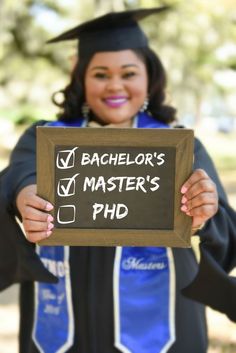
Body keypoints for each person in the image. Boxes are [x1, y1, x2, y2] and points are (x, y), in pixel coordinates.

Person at [0, 6, 236, 353]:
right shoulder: (45, 138)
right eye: (100, 74)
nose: (115, 86)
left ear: (149, 78)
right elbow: (18, 176)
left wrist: (205, 215)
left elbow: (226, 233)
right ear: (80, 78)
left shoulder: (178, 146)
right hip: (64, 317)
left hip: (165, 322)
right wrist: (25, 197)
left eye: (128, 73)